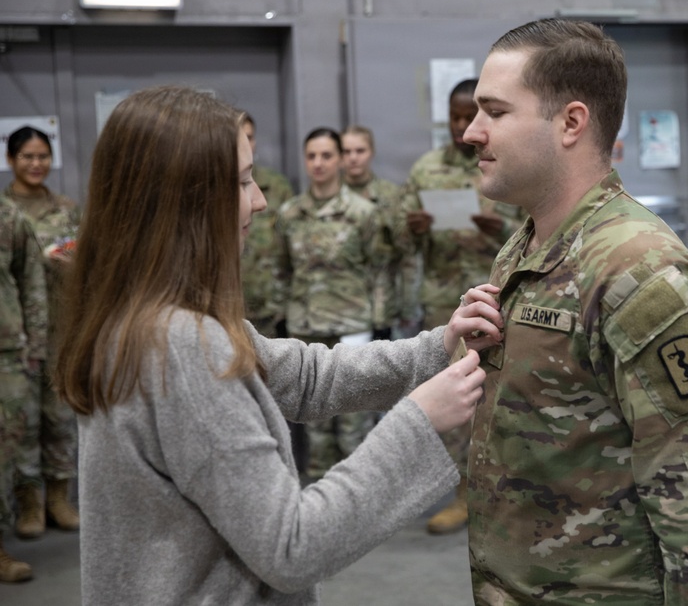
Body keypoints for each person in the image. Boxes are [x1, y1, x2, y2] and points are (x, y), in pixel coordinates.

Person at [53, 85, 495, 604]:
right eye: (243, 182)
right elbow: (293, 546)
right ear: (186, 201)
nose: (260, 201)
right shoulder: (178, 346)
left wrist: (436, 347)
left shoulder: (148, 313)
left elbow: (302, 376)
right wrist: (418, 421)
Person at [457, 18, 688, 603]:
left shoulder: (638, 270)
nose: (472, 132)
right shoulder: (525, 247)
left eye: (494, 112)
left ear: (571, 122)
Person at [400, 79, 524, 534]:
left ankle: (496, 490)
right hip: (442, 304)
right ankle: (459, 493)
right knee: (453, 400)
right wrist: (412, 227)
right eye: (452, 118)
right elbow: (395, 238)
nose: (459, 126)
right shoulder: (426, 170)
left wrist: (498, 229)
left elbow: (532, 225)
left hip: (495, 300)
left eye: (465, 116)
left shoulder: (504, 164)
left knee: (500, 396)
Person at [276, 128, 390, 478]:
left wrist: (380, 320)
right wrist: (283, 318)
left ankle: (361, 501)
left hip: (351, 327)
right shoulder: (290, 213)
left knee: (355, 424)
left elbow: (378, 270)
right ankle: (321, 511)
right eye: (311, 156)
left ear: (340, 160)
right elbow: (283, 269)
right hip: (306, 327)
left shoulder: (362, 213)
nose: (318, 163)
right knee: (315, 423)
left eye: (326, 156)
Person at [4, 126, 81, 540]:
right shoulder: (4, 210)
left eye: (43, 156)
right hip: (13, 335)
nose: (36, 164)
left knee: (59, 416)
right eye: (27, 157)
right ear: (11, 160)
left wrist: (75, 261)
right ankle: (29, 503)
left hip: (60, 329)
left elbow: (91, 257)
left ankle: (58, 498)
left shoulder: (66, 209)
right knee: (22, 422)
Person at [0, 194, 47, 583]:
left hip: (5, 355)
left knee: (3, 451)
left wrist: (35, 344)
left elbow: (31, 281)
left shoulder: (8, 216)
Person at [341, 125, 410, 340]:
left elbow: (405, 251)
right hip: (342, 300)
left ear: (371, 152)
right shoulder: (332, 196)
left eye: (360, 151)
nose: (353, 158)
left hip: (384, 299)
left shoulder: (390, 195)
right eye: (346, 151)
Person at [239, 113, 295, 340]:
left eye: (249, 136)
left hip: (267, 308)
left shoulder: (277, 186)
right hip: (226, 303)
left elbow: (290, 248)